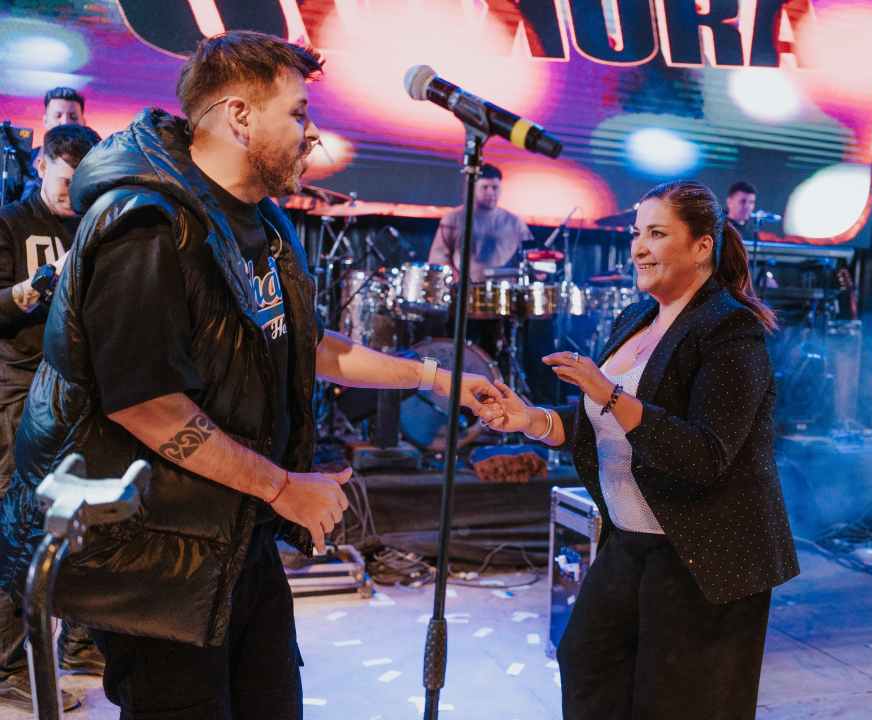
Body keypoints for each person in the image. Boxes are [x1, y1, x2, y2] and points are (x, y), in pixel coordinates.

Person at [0, 31, 498, 719]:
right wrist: (284, 487)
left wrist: (435, 379)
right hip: (154, 560)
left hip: (236, 534)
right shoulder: (142, 226)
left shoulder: (261, 221)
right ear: (239, 115)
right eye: (297, 113)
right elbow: (147, 406)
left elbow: (307, 345)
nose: (311, 133)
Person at [479, 180, 799, 718]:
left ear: (701, 246)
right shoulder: (636, 318)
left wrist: (608, 393)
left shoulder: (730, 328)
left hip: (704, 554)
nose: (638, 249)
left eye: (656, 234)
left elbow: (705, 454)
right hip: (631, 541)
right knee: (587, 662)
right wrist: (529, 419)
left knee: (673, 703)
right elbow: (601, 422)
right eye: (635, 234)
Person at [0, 123, 103, 713]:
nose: (72, 193)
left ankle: (83, 645)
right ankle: (11, 666)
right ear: (41, 165)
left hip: (80, 392)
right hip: (19, 391)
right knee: (15, 524)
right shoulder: (10, 224)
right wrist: (38, 285)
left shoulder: (93, 224)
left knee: (87, 519)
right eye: (65, 181)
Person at [427, 163, 533, 282]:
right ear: (473, 188)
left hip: (504, 289)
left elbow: (531, 254)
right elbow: (438, 258)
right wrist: (455, 280)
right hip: (464, 287)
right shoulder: (453, 218)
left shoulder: (515, 222)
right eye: (485, 187)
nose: (490, 192)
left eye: (495, 187)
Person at [19, 87, 88, 203]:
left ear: (83, 122)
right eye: (58, 116)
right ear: (45, 121)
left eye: (73, 117)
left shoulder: (92, 163)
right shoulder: (23, 161)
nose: (65, 122)